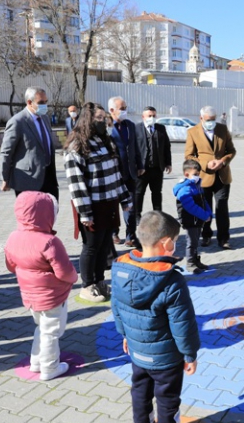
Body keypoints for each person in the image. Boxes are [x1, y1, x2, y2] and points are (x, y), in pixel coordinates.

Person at [110, 211, 201, 423]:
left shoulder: (120, 269)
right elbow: (183, 323)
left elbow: (116, 307)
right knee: (167, 395)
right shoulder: (171, 280)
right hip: (166, 357)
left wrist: (125, 335)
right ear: (167, 243)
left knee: (140, 389)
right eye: (176, 240)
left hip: (138, 350)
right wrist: (189, 354)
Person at [5, 191, 78, 381]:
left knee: (41, 327)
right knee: (52, 331)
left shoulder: (13, 237)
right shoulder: (49, 242)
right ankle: (49, 367)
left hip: (29, 294)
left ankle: (36, 361)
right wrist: (74, 278)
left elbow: (10, 265)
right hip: (52, 296)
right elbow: (64, 271)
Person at [65, 102, 132, 302]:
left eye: (104, 118)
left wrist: (125, 199)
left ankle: (100, 280)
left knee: (104, 246)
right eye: (99, 118)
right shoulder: (76, 145)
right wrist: (85, 213)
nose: (104, 122)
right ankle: (87, 285)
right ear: (88, 119)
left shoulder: (105, 141)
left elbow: (116, 173)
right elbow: (76, 183)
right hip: (91, 205)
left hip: (109, 202)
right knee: (91, 246)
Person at [185, 106, 236, 249]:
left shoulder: (222, 129)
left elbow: (231, 150)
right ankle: (206, 235)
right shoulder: (192, 132)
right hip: (203, 176)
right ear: (201, 118)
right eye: (208, 120)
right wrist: (206, 163)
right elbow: (189, 156)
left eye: (213, 119)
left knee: (222, 208)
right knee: (205, 208)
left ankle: (224, 238)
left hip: (222, 176)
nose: (211, 122)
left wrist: (223, 161)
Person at [0, 87, 59, 201]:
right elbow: (6, 152)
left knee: (50, 214)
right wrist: (5, 178)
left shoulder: (45, 119)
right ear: (29, 102)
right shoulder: (17, 122)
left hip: (49, 177)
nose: (44, 106)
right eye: (41, 102)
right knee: (31, 217)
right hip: (28, 181)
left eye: (46, 102)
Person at [108, 96, 141, 247]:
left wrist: (140, 165)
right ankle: (114, 232)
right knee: (113, 206)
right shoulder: (107, 127)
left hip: (130, 173)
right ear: (112, 110)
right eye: (122, 108)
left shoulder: (130, 126)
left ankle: (131, 235)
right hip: (114, 174)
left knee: (131, 206)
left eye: (125, 108)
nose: (124, 111)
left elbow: (135, 147)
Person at [172, 160, 212, 274]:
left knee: (195, 241)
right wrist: (204, 215)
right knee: (191, 242)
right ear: (186, 174)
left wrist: (209, 213)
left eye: (198, 174)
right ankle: (190, 263)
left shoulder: (196, 186)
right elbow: (191, 207)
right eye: (195, 174)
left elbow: (204, 200)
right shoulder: (185, 189)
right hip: (190, 220)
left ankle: (195, 260)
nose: (197, 176)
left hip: (198, 220)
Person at [134, 106, 172, 226]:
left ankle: (158, 216)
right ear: (143, 117)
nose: (152, 118)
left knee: (157, 193)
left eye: (154, 115)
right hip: (142, 170)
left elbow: (166, 146)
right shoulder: (136, 129)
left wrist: (168, 163)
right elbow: (133, 149)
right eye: (149, 115)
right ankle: (137, 216)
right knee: (139, 193)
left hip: (157, 168)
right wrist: (136, 166)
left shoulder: (161, 128)